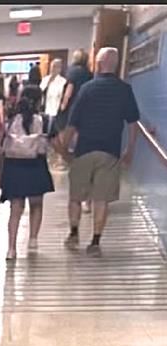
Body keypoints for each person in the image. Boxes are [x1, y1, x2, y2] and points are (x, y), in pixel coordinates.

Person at [61, 46, 140, 255]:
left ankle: (74, 233)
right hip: (110, 152)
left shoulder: (86, 89)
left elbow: (72, 122)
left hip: (84, 150)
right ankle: (95, 242)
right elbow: (133, 123)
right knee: (101, 199)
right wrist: (130, 150)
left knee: (76, 196)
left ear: (98, 64)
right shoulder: (125, 90)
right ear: (114, 65)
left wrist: (63, 149)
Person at [0, 84, 53, 261]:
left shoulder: (12, 119)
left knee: (15, 209)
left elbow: (3, 147)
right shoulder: (42, 119)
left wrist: (0, 173)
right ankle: (33, 239)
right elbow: (46, 145)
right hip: (35, 165)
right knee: (36, 204)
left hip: (14, 166)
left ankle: (11, 249)